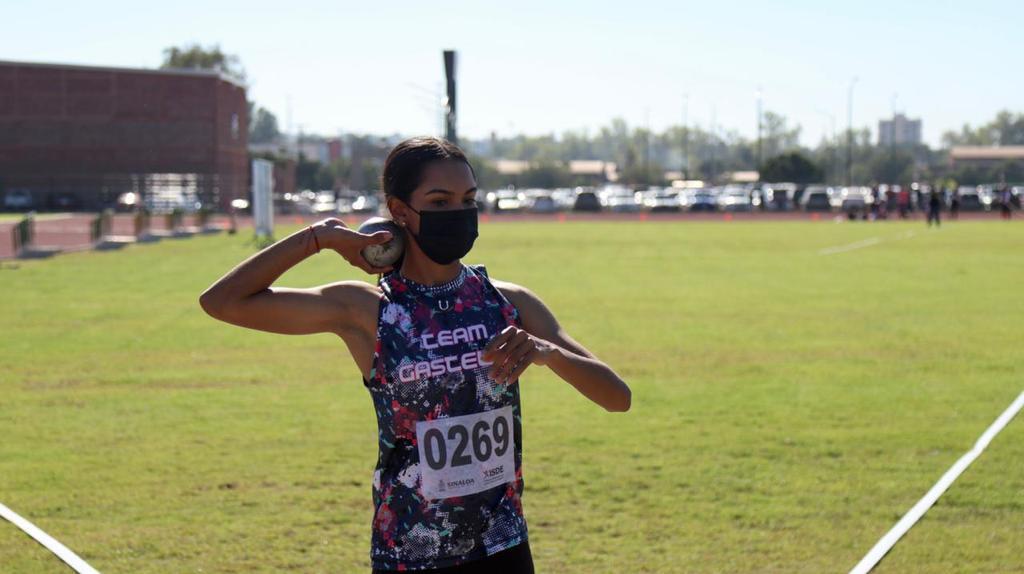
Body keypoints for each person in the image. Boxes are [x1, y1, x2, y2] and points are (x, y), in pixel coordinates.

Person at [198, 136, 632, 573]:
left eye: (468, 200)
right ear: (400, 210)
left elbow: (618, 397)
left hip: (502, 548)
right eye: (440, 202)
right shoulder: (369, 310)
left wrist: (546, 351)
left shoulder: (509, 303)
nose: (459, 213)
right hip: (410, 553)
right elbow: (223, 302)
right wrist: (320, 238)